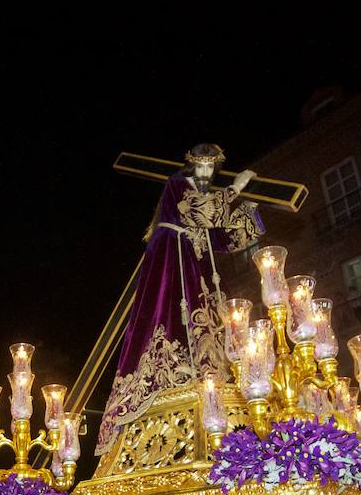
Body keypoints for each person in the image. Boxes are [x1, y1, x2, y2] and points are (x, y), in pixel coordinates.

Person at [96, 143, 261, 455]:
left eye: (210, 168)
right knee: (167, 314)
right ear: (191, 166)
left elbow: (222, 238)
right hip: (171, 261)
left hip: (197, 268)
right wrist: (235, 189)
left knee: (211, 326)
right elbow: (198, 210)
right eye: (200, 166)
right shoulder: (178, 184)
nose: (205, 172)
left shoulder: (205, 199)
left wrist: (248, 210)